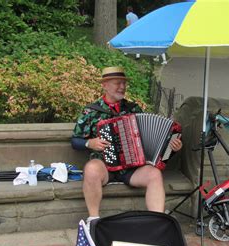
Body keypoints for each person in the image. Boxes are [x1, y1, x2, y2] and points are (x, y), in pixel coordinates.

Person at [72, 67, 183, 228]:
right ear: (105, 85)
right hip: (105, 167)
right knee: (91, 169)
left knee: (154, 174)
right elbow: (75, 141)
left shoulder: (133, 109)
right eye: (118, 83)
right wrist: (90, 143)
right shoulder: (91, 111)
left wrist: (172, 147)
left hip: (131, 168)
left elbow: (155, 140)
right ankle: (94, 221)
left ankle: (158, 221)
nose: (122, 87)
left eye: (124, 83)